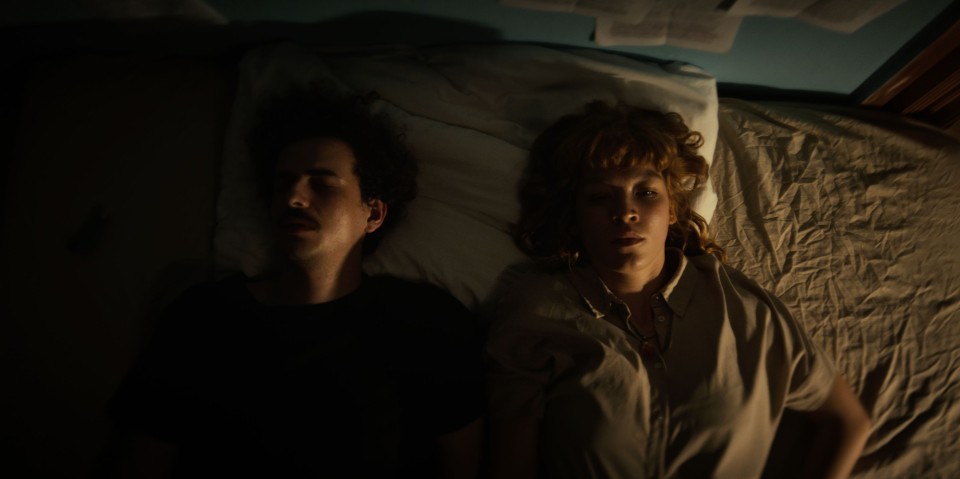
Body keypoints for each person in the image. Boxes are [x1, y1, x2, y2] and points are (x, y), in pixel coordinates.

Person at [102, 88, 484, 478]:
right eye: (283, 183)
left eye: (322, 184)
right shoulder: (203, 318)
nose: (294, 198)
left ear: (373, 214)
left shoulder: (426, 323)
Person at [485, 101, 871, 479]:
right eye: (600, 197)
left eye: (646, 193)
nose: (625, 212)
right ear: (574, 217)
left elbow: (847, 421)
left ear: (672, 208)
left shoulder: (745, 311)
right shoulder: (536, 312)